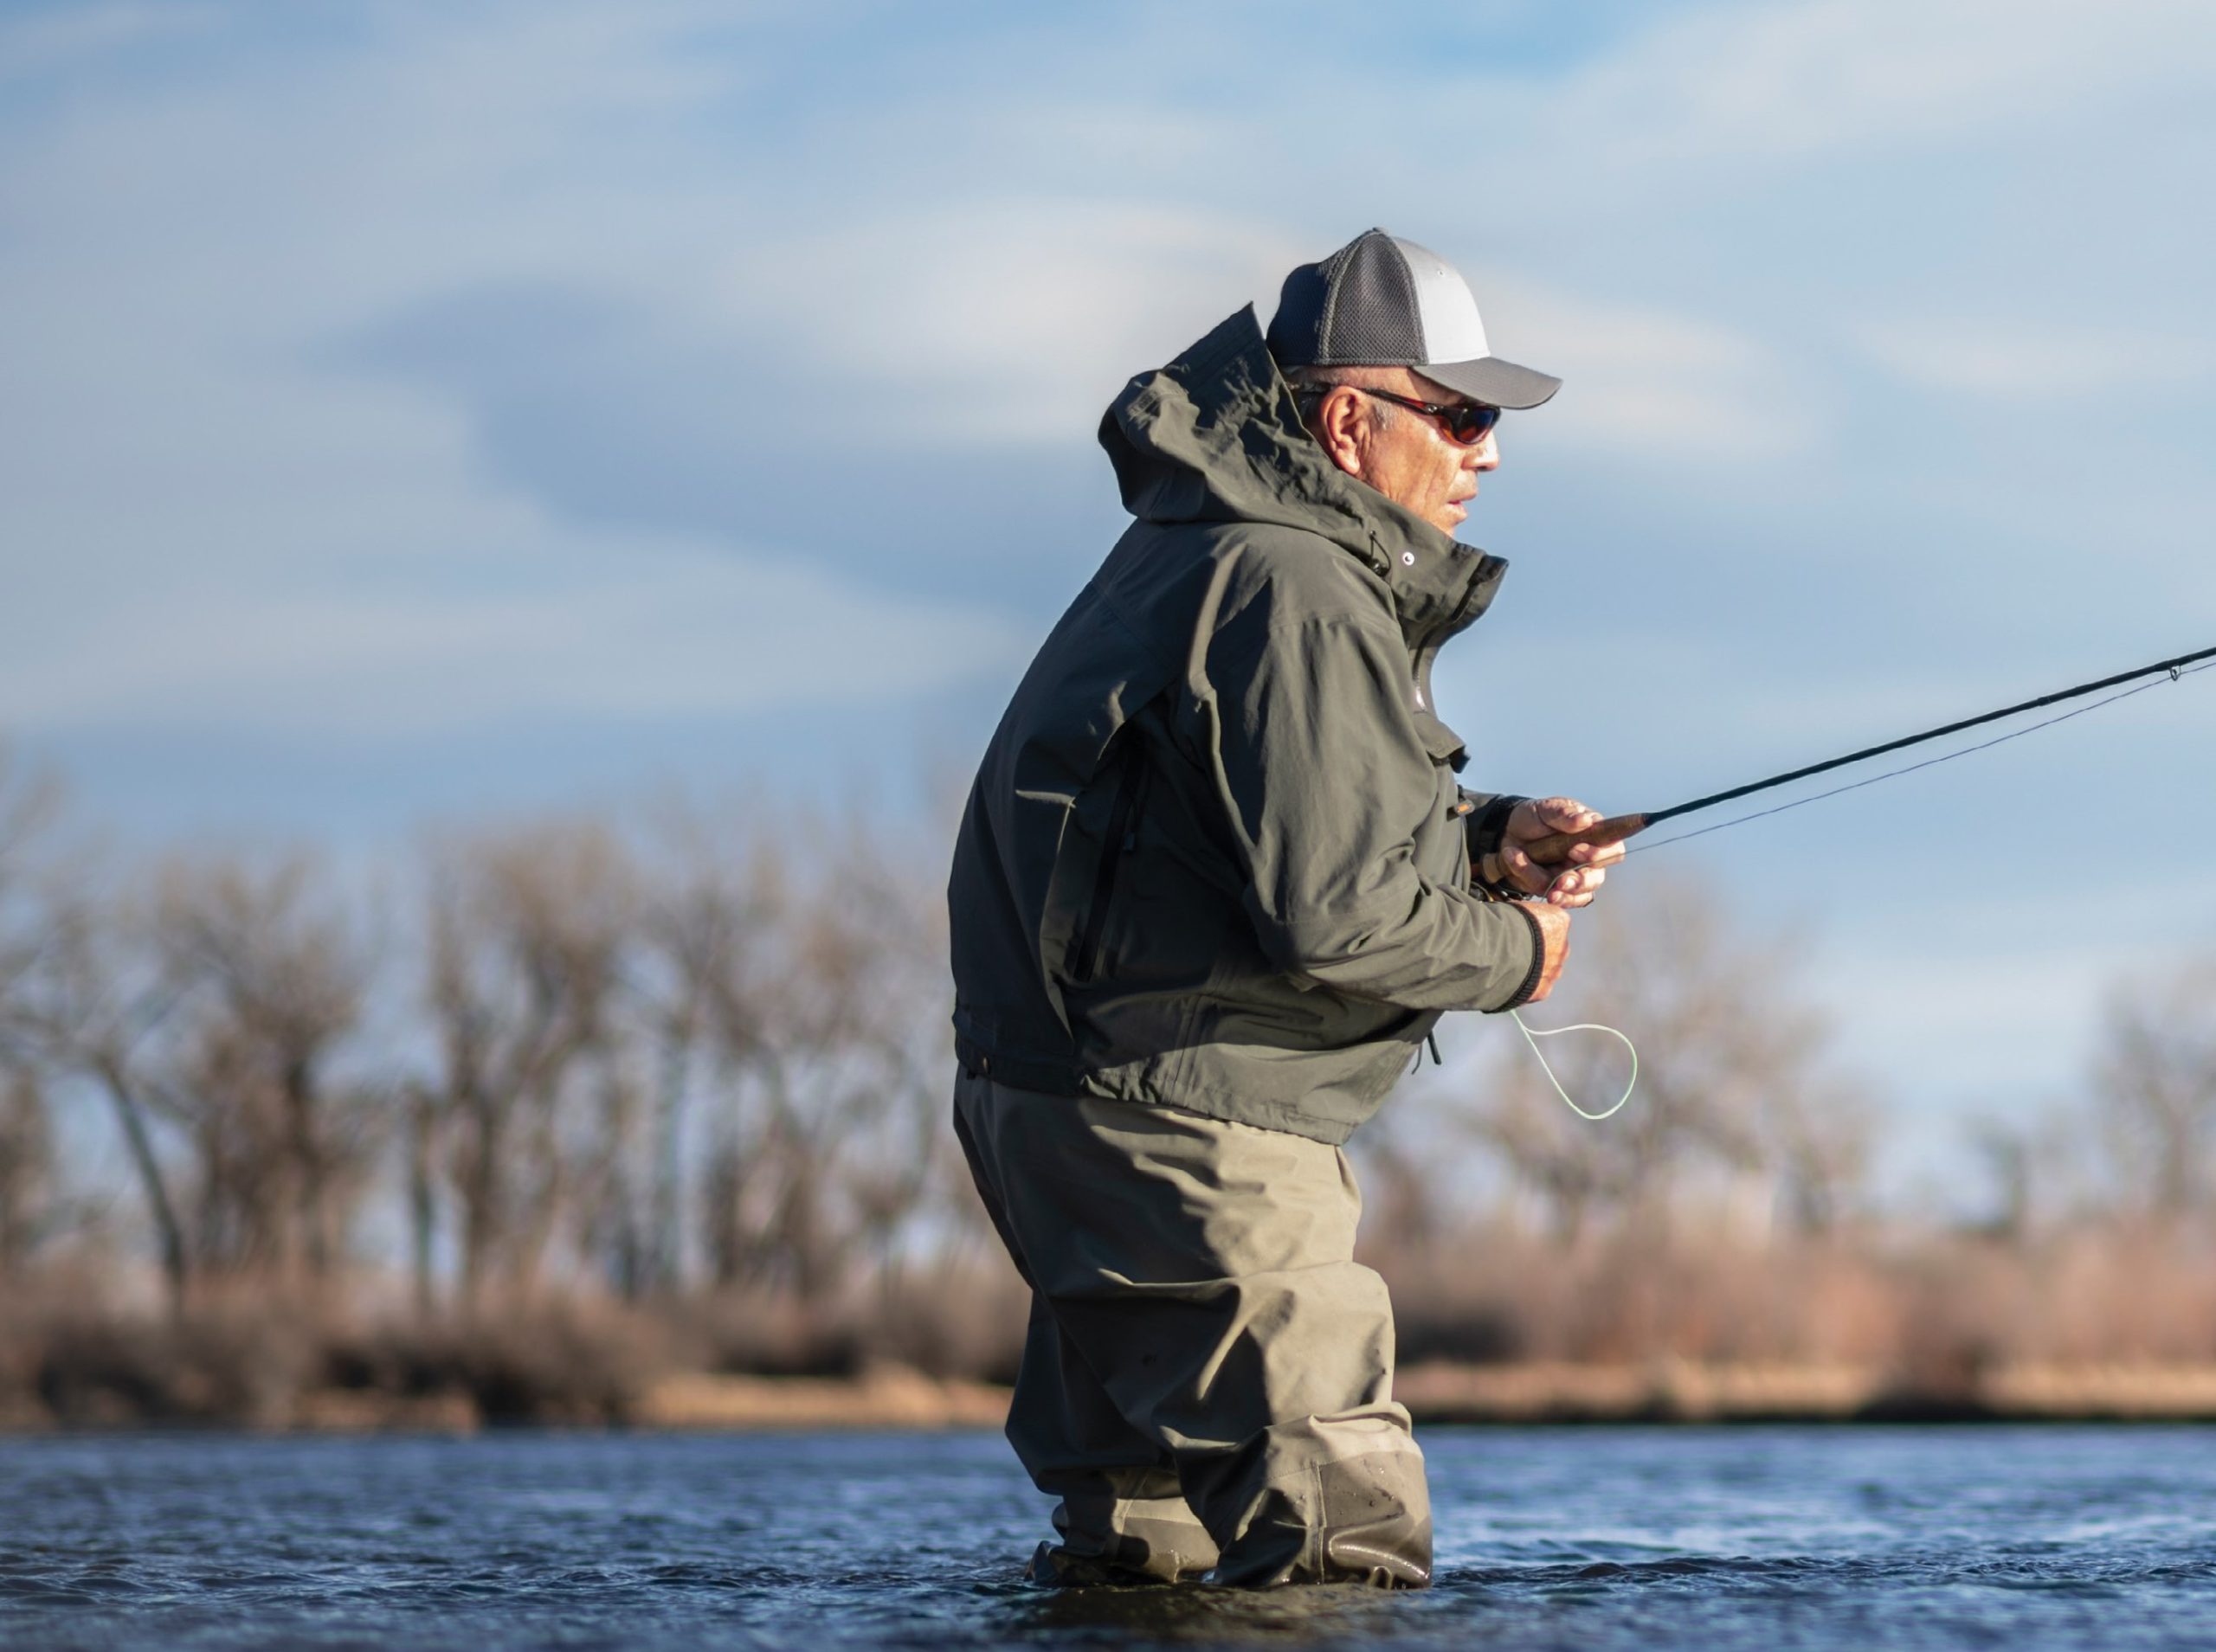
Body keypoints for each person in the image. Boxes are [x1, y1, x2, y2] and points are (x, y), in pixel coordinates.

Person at [945, 228, 1622, 1589]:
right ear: (1348, 422)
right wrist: (1520, 951)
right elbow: (1342, 921)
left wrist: (1484, 841)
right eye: (1464, 414)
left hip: (1070, 1112)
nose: (1488, 451)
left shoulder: (1199, 543)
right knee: (1340, 1542)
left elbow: (1234, 837)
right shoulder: (1297, 583)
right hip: (1189, 1137)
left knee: (1143, 1555)